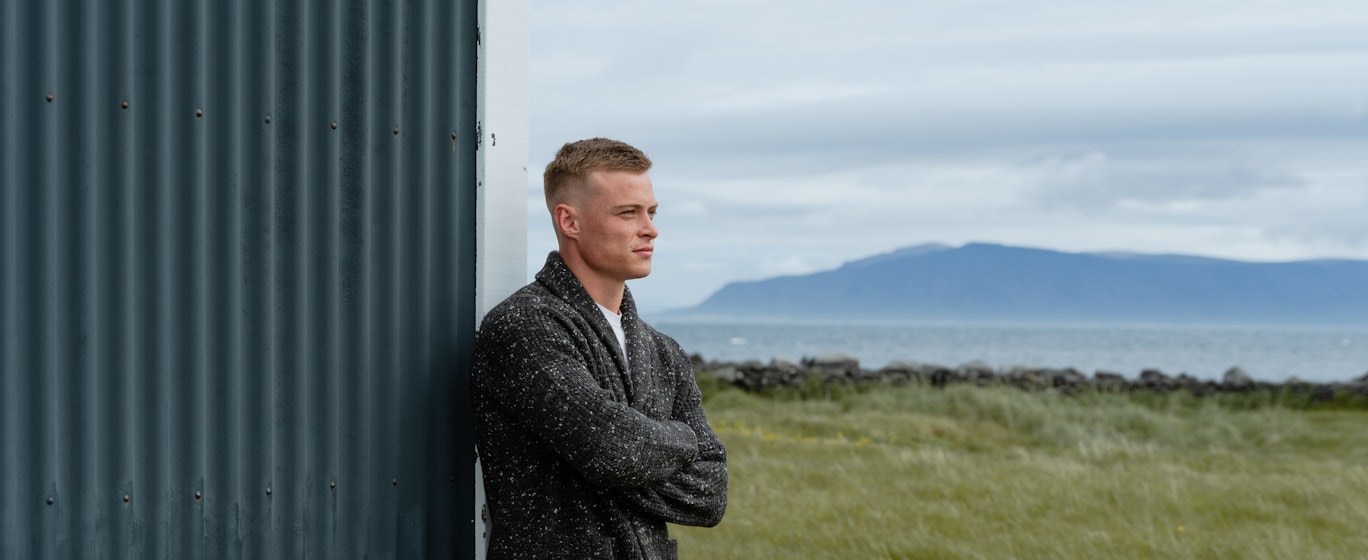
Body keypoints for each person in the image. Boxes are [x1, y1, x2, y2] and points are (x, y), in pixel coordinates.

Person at [472, 138, 728, 559]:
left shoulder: (664, 352)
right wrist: (684, 440)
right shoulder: (524, 327)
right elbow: (613, 451)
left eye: (651, 212)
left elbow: (710, 494)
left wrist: (624, 453)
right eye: (628, 213)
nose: (650, 228)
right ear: (569, 221)